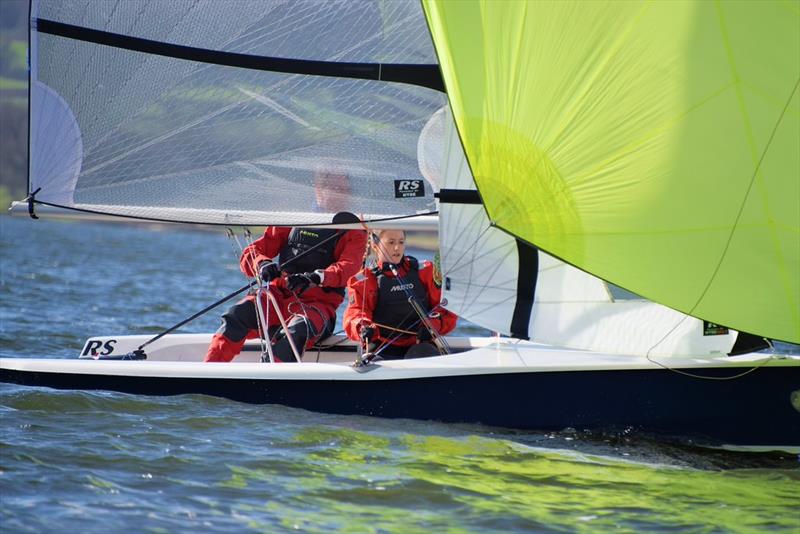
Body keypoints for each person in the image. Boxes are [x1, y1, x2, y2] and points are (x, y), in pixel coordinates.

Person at [205, 224, 367, 362]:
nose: (329, 192)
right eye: (324, 187)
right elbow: (252, 252)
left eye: (338, 188)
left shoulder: (352, 229)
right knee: (235, 315)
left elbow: (348, 268)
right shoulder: (293, 219)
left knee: (296, 330)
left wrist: (316, 278)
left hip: (317, 309)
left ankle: (267, 380)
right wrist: (262, 264)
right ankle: (209, 370)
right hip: (276, 299)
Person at [344, 229, 457, 359]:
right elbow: (355, 313)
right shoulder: (363, 280)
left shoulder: (426, 272)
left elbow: (446, 309)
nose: (397, 247)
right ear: (375, 246)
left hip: (419, 345)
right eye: (391, 242)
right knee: (370, 360)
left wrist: (433, 326)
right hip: (381, 346)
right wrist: (362, 327)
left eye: (401, 242)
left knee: (423, 354)